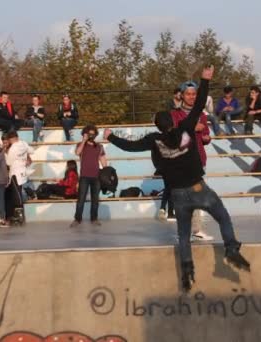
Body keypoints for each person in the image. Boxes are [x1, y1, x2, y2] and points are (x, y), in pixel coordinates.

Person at [104, 66, 250, 292]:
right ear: (172, 122)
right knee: (222, 216)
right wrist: (205, 80)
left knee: (183, 236)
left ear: (158, 126)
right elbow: (200, 104)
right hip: (199, 187)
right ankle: (231, 249)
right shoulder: (185, 129)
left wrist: (110, 137)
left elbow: (131, 146)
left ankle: (187, 273)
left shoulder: (154, 140)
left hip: (178, 195)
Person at [171, 80, 214, 242]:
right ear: (182, 95)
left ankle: (196, 230)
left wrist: (206, 137)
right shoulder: (175, 114)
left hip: (198, 160)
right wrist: (191, 128)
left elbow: (205, 137)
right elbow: (173, 135)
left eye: (194, 94)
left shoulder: (201, 115)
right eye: (188, 94)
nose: (191, 97)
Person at [70, 125, 108, 227]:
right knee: (81, 199)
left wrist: (107, 173)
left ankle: (94, 219)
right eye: (89, 134)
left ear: (95, 135)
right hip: (84, 177)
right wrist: (84, 140)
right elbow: (77, 152)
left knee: (95, 200)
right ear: (85, 134)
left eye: (93, 134)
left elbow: (104, 162)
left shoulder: (99, 147)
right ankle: (77, 219)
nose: (91, 135)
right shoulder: (80, 144)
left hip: (96, 177)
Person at [5, 130, 35, 225]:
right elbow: (32, 150)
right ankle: (20, 214)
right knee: (19, 191)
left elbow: (8, 162)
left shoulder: (13, 149)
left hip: (15, 173)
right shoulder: (23, 143)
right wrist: (23, 159)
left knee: (16, 193)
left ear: (10, 139)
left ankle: (19, 215)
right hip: (23, 172)